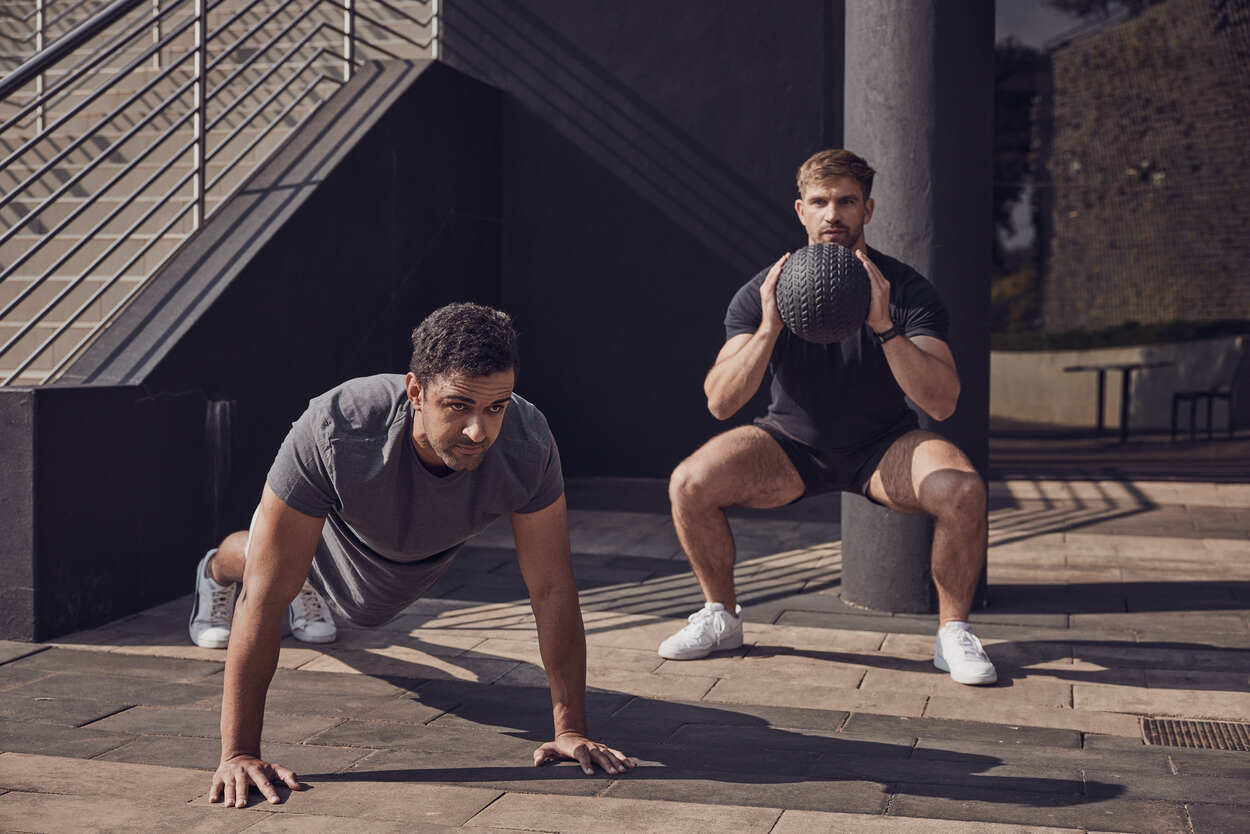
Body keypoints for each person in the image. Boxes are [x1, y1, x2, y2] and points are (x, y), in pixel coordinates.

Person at [190, 302, 633, 808]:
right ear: (416, 391)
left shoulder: (528, 443)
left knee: (351, 606)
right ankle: (214, 570)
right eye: (458, 405)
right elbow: (265, 598)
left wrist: (571, 728)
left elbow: (552, 587)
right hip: (336, 536)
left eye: (495, 407)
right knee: (267, 570)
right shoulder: (337, 426)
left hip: (413, 558)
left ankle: (299, 581)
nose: (478, 431)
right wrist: (240, 751)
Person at [659, 149, 996, 686]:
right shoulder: (762, 290)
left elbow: (942, 402)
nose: (832, 214)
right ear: (800, 210)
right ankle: (721, 616)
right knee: (689, 483)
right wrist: (770, 327)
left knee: (963, 490)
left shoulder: (905, 290)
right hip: (790, 444)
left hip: (883, 447)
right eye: (819, 202)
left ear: (868, 209)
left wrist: (885, 325)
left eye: (846, 201)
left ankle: (953, 631)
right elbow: (720, 401)